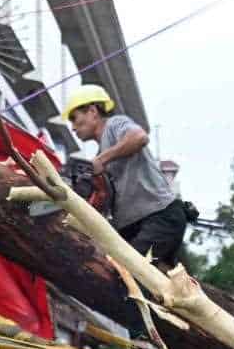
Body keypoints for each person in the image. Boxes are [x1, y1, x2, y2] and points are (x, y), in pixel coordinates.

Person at [63, 83, 189, 267]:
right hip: (133, 226)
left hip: (160, 216)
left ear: (92, 111)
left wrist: (102, 160)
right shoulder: (101, 151)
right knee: (115, 268)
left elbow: (140, 137)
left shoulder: (116, 125)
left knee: (128, 272)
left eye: (75, 118)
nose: (73, 127)